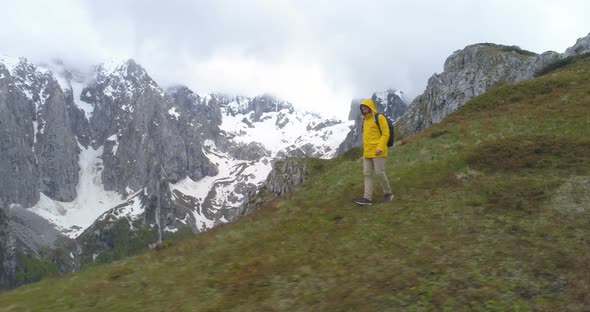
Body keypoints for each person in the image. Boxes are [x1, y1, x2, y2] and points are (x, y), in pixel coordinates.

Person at [354, 98, 393, 205]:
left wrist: (379, 148)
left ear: (370, 107)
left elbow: (386, 133)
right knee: (367, 174)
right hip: (367, 153)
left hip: (378, 152)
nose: (364, 109)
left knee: (379, 172)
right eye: (362, 108)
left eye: (365, 107)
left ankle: (388, 193)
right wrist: (365, 152)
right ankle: (367, 198)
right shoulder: (364, 121)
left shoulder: (379, 117)